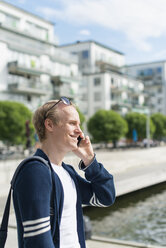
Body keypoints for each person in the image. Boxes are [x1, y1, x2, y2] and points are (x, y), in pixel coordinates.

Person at [13, 97, 116, 248]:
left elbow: (106, 197)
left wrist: (89, 159)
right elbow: (38, 241)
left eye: (79, 124)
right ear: (49, 124)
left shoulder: (67, 172)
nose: (80, 131)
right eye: (72, 123)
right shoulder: (35, 171)